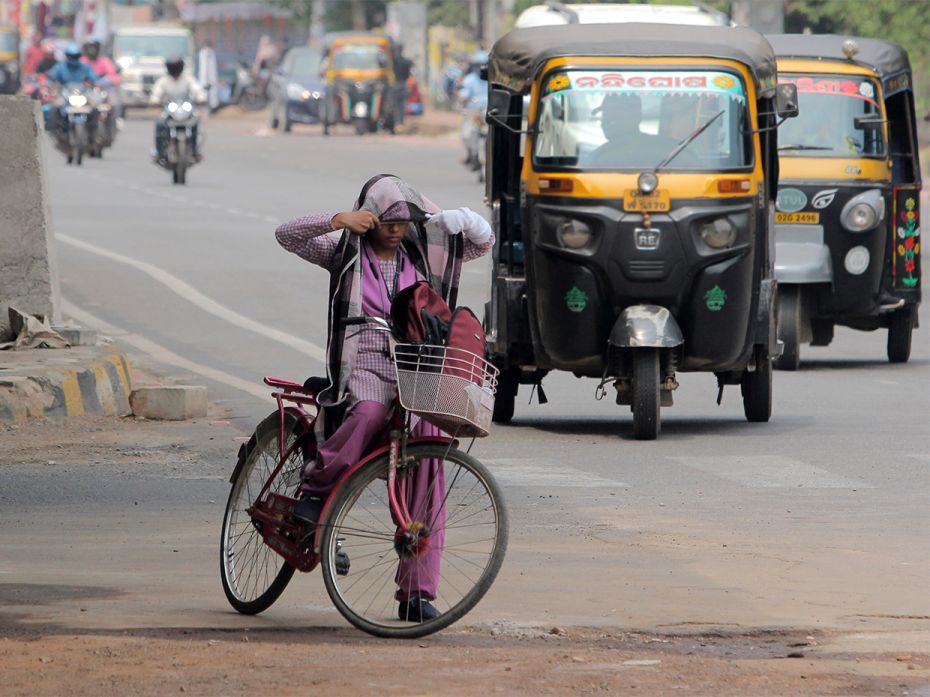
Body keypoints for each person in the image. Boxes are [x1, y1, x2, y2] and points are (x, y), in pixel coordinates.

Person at [275, 174, 494, 622]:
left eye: (404, 222)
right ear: (370, 219)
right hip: (366, 361)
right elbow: (287, 235)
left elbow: (478, 245)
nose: (396, 230)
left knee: (432, 451)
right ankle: (316, 491)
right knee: (369, 413)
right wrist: (337, 219)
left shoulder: (424, 256)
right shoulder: (344, 254)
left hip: (415, 365)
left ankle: (416, 592)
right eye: (387, 222)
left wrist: (467, 220)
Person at [586, 92, 679, 168]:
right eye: (605, 117)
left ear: (636, 117)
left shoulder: (599, 157)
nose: (604, 124)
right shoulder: (673, 149)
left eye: (612, 118)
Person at [150, 56, 207, 162]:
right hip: (169, 110)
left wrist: (201, 98)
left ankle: (194, 151)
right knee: (159, 124)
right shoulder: (164, 81)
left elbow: (197, 89)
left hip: (185, 109)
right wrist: (155, 100)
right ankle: (159, 151)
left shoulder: (187, 79)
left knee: (194, 124)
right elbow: (157, 92)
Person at [197, 41, 219, 112]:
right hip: (203, 77)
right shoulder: (202, 53)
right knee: (203, 91)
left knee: (213, 92)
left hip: (211, 77)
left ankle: (213, 107)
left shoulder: (211, 53)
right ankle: (204, 106)